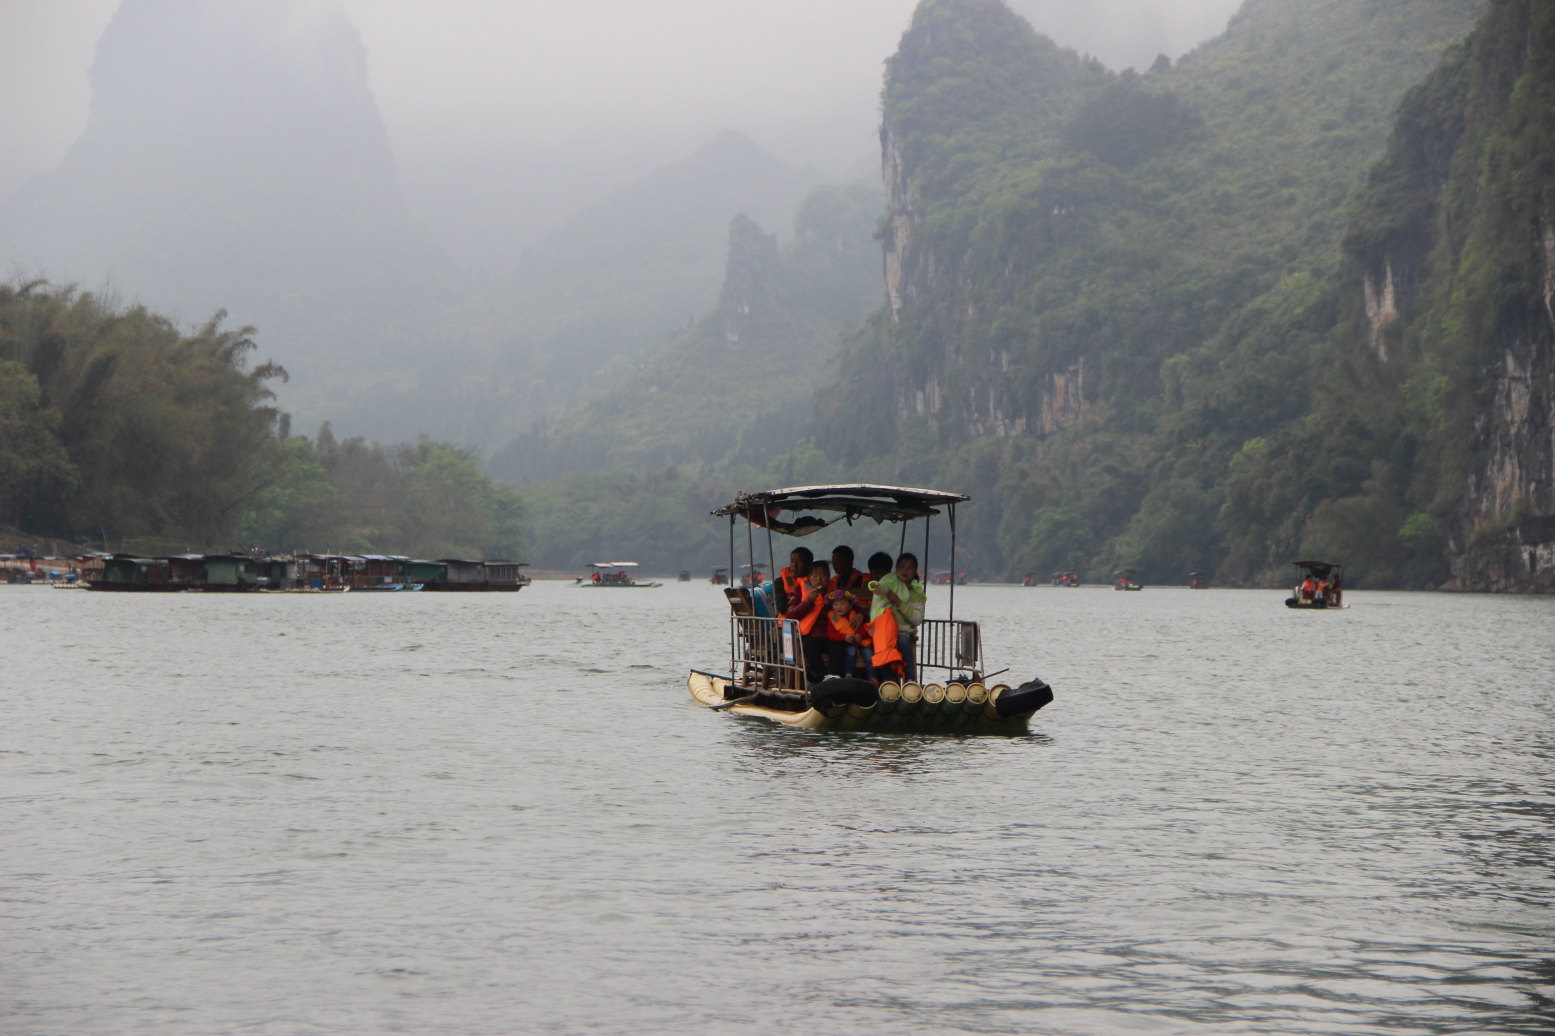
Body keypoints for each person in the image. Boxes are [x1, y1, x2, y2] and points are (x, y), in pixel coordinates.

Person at [871, 551, 926, 680]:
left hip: (903, 632)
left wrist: (898, 602)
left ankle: (910, 679)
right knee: (882, 644)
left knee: (903, 641)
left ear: (914, 571)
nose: (905, 570)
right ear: (896, 569)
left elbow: (917, 619)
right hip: (883, 630)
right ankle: (887, 682)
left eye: (909, 567)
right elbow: (878, 606)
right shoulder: (888, 583)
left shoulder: (916, 591)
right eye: (902, 566)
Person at [785, 560, 831, 683]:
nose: (819, 579)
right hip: (810, 635)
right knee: (809, 646)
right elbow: (790, 614)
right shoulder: (799, 590)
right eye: (815, 575)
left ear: (828, 577)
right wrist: (808, 602)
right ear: (809, 577)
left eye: (823, 575)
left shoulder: (834, 592)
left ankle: (832, 677)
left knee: (839, 646)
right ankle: (824, 678)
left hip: (830, 635)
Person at [826, 592, 869, 677]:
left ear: (850, 606)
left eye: (842, 604)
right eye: (836, 604)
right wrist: (844, 637)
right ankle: (848, 675)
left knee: (869, 654)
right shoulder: (833, 617)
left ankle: (873, 677)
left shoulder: (856, 616)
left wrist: (860, 635)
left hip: (862, 642)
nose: (839, 607)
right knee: (851, 652)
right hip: (846, 643)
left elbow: (865, 629)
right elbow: (831, 634)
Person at [774, 547, 813, 616]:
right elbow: (782, 608)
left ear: (808, 565)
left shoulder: (814, 581)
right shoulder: (780, 582)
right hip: (789, 624)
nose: (794, 565)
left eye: (799, 562)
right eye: (792, 561)